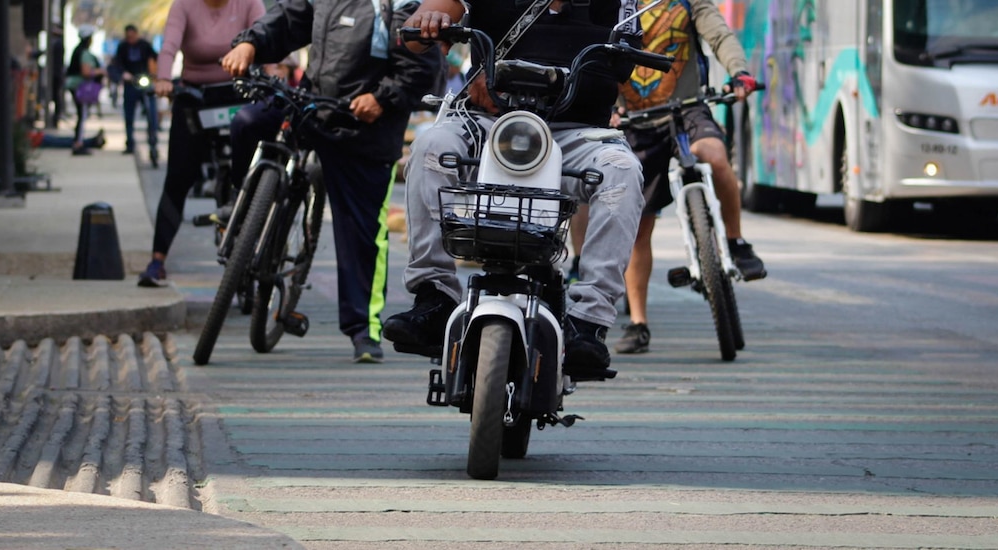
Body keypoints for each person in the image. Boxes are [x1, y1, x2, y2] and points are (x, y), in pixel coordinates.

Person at [383, 0, 646, 379]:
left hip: (576, 132)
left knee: (622, 171)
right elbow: (417, 36)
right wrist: (428, 21)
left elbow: (622, 67)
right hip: (489, 124)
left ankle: (588, 321)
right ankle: (434, 296)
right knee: (431, 147)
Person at [221, 0, 442, 363]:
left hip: (364, 127)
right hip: (310, 103)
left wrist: (382, 98)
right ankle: (241, 211)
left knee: (361, 232)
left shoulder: (401, 5)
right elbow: (289, 19)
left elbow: (422, 65)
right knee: (246, 122)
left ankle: (362, 329)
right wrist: (251, 43)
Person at [610, 0, 764, 355]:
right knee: (638, 224)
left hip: (688, 108)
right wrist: (605, 105)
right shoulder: (615, 6)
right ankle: (638, 322)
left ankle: (737, 243)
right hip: (636, 120)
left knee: (715, 157)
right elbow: (598, 54)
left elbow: (720, 36)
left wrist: (738, 72)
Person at [137, 0, 266, 288]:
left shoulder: (249, 3)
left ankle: (256, 246)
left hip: (239, 94)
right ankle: (157, 259)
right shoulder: (184, 5)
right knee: (179, 177)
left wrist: (273, 73)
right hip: (195, 97)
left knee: (257, 172)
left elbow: (265, 35)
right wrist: (163, 79)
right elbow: (169, 45)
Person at [112, 24, 160, 164]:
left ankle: (153, 143)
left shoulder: (145, 45)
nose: (131, 39)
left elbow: (154, 58)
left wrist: (154, 74)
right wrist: (123, 74)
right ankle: (130, 142)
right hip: (130, 84)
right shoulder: (122, 47)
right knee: (129, 115)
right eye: (128, 36)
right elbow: (117, 64)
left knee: (151, 115)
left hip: (145, 82)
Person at [64, 25, 102, 156]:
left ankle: (78, 141)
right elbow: (86, 72)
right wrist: (100, 71)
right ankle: (78, 143)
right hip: (80, 87)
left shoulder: (77, 50)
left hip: (75, 86)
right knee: (82, 114)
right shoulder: (84, 53)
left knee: (82, 114)